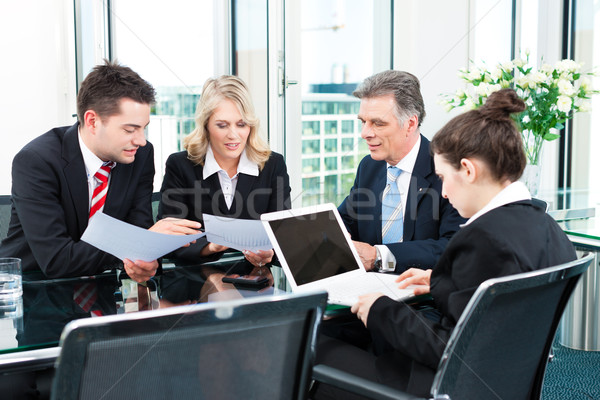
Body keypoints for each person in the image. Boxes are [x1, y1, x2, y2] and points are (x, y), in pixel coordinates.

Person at [313, 89, 577, 398]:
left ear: (468, 170)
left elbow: (449, 349)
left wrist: (379, 308)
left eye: (443, 177)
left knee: (311, 345)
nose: (446, 193)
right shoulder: (547, 228)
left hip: (438, 386)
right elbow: (495, 314)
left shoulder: (483, 239)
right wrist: (439, 282)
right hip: (502, 385)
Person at [0, 61, 199, 283]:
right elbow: (57, 261)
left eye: (144, 128)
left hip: (101, 288)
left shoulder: (139, 156)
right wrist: (141, 242)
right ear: (92, 121)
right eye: (130, 129)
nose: (141, 140)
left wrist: (145, 257)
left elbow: (137, 230)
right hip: (32, 290)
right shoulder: (36, 161)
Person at [338, 70, 464, 274]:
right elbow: (344, 221)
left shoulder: (449, 170)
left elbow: (452, 247)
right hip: (369, 291)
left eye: (378, 123)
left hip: (425, 296)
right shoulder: (369, 167)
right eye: (363, 121)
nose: (365, 133)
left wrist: (379, 256)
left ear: (410, 124)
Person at [159, 75, 291, 269]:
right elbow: (168, 237)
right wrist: (211, 247)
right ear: (206, 125)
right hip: (195, 284)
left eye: (241, 124)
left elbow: (283, 235)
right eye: (222, 125)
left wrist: (270, 253)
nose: (233, 135)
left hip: (256, 281)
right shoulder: (180, 165)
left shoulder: (273, 164)